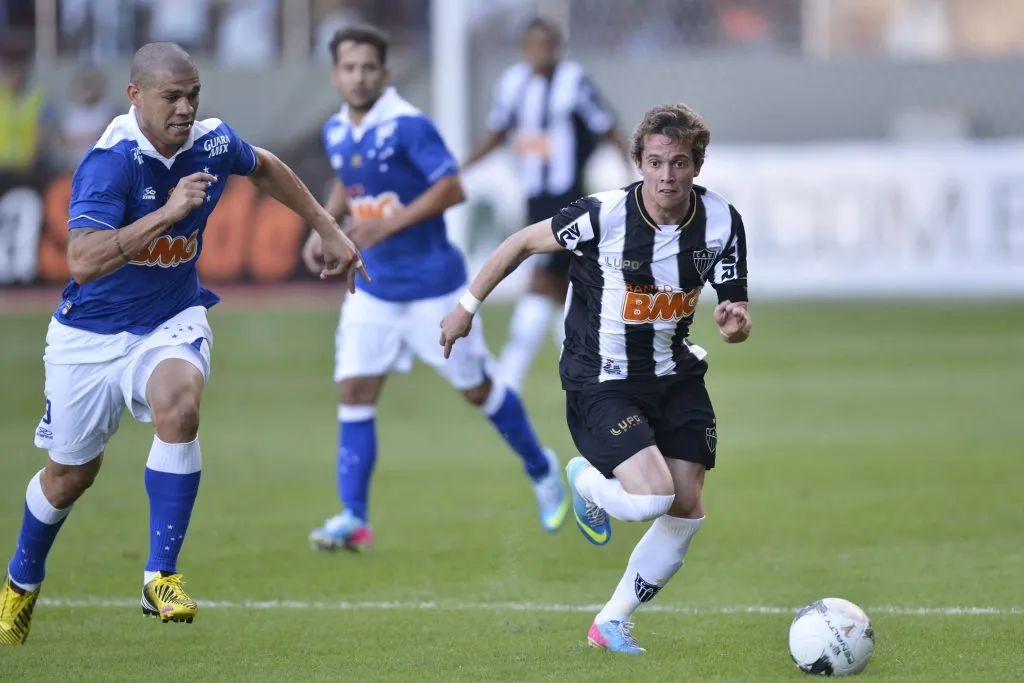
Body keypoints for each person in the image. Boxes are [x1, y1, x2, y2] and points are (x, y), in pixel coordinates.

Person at [0, 42, 365, 645]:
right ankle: (21, 578)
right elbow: (83, 260)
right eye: (172, 96)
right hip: (89, 335)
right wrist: (167, 215)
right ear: (135, 97)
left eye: (193, 94)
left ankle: (159, 575)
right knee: (69, 475)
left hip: (170, 318)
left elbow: (265, 165)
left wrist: (327, 227)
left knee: (181, 405)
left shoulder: (212, 141)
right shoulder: (110, 161)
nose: (185, 108)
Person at [441, 103, 751, 654]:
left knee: (687, 506)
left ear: (697, 165)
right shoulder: (603, 216)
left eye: (679, 163)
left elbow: (733, 310)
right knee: (654, 497)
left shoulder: (723, 222)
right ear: (637, 162)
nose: (666, 176)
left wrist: (734, 324)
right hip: (602, 380)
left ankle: (611, 621)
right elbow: (518, 244)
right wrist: (467, 306)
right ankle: (585, 480)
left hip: (675, 373)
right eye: (655, 162)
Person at [301, 24, 568, 552]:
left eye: (368, 67)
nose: (358, 77)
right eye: (349, 68)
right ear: (336, 74)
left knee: (478, 390)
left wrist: (384, 225)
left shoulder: (406, 125)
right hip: (374, 290)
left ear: (384, 72)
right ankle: (354, 516)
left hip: (432, 289)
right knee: (354, 391)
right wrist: (326, 226)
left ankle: (541, 468)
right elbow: (347, 181)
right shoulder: (338, 130)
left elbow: (451, 187)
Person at [462, 16, 631, 392]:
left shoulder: (574, 82)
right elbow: (496, 133)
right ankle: (590, 372)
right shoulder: (512, 84)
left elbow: (607, 126)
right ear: (525, 48)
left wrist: (631, 170)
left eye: (547, 45)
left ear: (557, 48)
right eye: (533, 45)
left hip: (568, 196)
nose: (541, 52)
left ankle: (508, 380)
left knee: (542, 282)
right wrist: (460, 168)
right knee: (563, 285)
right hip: (534, 197)